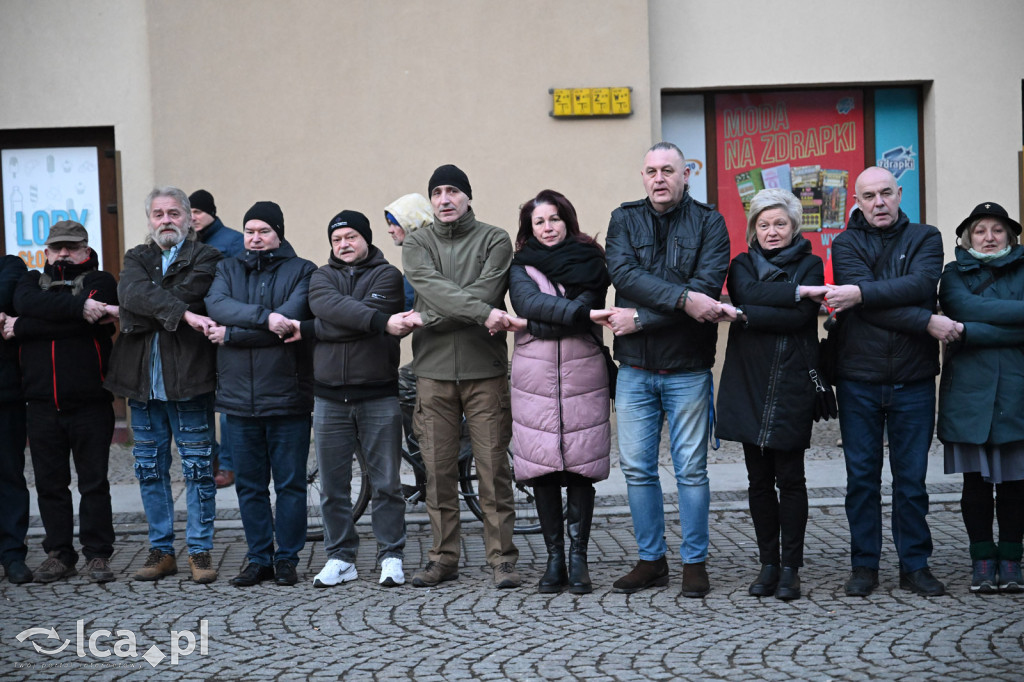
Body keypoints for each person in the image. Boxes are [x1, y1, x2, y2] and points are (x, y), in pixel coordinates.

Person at [826, 166, 961, 597]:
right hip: (858, 379)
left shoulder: (926, 237)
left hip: (913, 378)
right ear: (857, 201)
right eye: (869, 196)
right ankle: (864, 565)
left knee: (912, 479)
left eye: (886, 193)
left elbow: (920, 283)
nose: (878, 203)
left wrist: (863, 295)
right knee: (861, 478)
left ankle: (914, 565)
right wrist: (925, 319)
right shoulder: (845, 243)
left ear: (899, 194)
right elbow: (867, 305)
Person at [604, 141, 732, 597]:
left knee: (691, 471)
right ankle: (651, 560)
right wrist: (681, 300)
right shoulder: (624, 219)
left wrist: (640, 317)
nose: (659, 178)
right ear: (643, 177)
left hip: (688, 368)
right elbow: (624, 274)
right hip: (636, 368)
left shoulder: (710, 223)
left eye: (668, 170)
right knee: (637, 468)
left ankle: (694, 562)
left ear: (686, 175)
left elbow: (705, 288)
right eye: (651, 171)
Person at [402, 164, 521, 589]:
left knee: (493, 470)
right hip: (432, 373)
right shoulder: (416, 242)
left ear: (468, 196)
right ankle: (442, 557)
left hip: (484, 372)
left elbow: (487, 293)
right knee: (437, 472)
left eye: (453, 191)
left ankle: (502, 559)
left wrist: (430, 315)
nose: (445, 199)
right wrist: (480, 313)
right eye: (437, 192)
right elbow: (431, 286)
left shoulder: (494, 239)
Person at [105, 187, 222, 584]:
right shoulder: (137, 256)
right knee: (150, 469)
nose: (166, 220)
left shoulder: (206, 256)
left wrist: (142, 313)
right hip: (141, 383)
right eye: (158, 214)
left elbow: (189, 294)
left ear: (189, 218)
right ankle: (161, 550)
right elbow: (129, 294)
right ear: (150, 220)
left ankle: (200, 551)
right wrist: (183, 316)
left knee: (197, 468)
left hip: (188, 380)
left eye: (174, 213)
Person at [716, 189, 827, 601]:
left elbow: (799, 318)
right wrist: (795, 294)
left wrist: (749, 315)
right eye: (763, 224)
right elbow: (747, 294)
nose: (772, 231)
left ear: (794, 226)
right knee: (758, 481)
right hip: (749, 381)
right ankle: (768, 564)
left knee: (791, 479)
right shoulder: (741, 264)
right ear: (753, 230)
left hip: (792, 380)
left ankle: (791, 568)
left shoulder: (812, 263)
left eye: (780, 223)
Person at [300, 210, 414, 588]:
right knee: (333, 488)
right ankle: (340, 558)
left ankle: (391, 555)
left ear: (365, 238)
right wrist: (376, 324)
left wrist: (321, 329)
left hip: (378, 394)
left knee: (386, 484)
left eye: (351, 236)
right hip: (329, 399)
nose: (344, 244)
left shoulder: (388, 275)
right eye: (337, 239)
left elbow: (343, 316)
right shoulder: (320, 277)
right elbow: (327, 309)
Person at [204, 201, 315, 587]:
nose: (254, 237)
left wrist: (231, 334)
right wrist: (265, 318)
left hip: (287, 397)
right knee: (250, 487)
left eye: (263, 231)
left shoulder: (303, 271)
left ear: (278, 233)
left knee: (289, 485)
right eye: (249, 230)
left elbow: (291, 320)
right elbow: (217, 305)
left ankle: (286, 558)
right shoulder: (227, 268)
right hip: (237, 400)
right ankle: (257, 559)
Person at [507, 189, 612, 594]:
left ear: (567, 220)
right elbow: (529, 304)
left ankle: (579, 559)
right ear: (529, 229)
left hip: (583, 371)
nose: (548, 228)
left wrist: (546, 319)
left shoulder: (592, 262)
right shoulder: (520, 266)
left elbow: (553, 312)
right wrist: (574, 316)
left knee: (580, 469)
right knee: (543, 471)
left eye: (554, 219)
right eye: (539, 222)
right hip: (534, 378)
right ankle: (554, 560)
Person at [6, 222, 119, 584]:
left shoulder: (102, 280)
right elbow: (26, 303)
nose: (64, 254)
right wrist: (76, 309)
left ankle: (98, 554)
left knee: (94, 483)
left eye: (71, 247)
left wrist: (22, 327)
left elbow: (91, 325)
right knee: (50, 485)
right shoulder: (29, 283)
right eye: (57, 248)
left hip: (90, 402)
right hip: (40, 404)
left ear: (86, 249)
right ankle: (59, 553)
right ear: (47, 252)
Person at [937, 201, 1024, 594]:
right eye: (980, 231)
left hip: (1016, 390)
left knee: (1015, 485)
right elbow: (962, 308)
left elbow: (968, 321)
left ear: (1010, 235)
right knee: (975, 484)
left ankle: (1011, 561)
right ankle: (982, 561)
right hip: (969, 394)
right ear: (968, 237)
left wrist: (971, 331)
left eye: (997, 230)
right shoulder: (953, 274)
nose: (989, 238)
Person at [189, 189, 243, 489]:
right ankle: (211, 461)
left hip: (224, 334)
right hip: (195, 335)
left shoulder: (233, 241)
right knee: (200, 401)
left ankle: (229, 466)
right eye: (190, 212)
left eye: (199, 211)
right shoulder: (185, 244)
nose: (194, 217)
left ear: (212, 211)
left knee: (226, 407)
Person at [0, 254, 31, 584]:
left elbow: (8, 295)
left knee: (9, 476)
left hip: (5, 394)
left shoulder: (10, 266)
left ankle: (12, 554)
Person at [384, 192, 433, 310]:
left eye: (395, 224)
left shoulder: (428, 255)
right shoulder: (417, 253)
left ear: (412, 223)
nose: (390, 230)